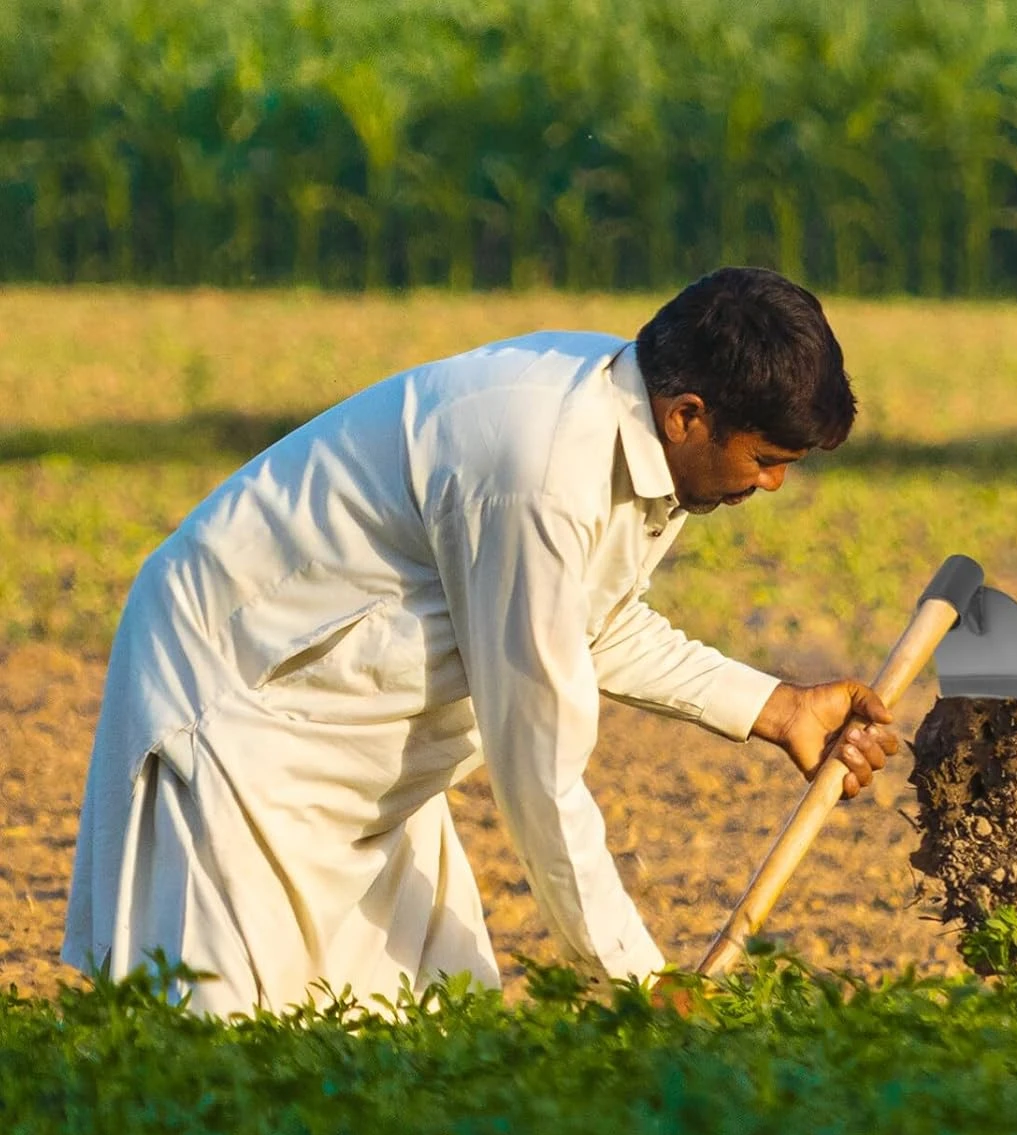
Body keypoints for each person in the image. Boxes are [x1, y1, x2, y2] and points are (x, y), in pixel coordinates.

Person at [63, 267, 899, 1016]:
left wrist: (776, 707)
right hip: (240, 705)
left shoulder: (630, 427)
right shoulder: (538, 475)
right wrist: (639, 984)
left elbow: (588, 623)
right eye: (767, 458)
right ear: (688, 416)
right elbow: (538, 767)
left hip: (357, 730)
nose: (773, 483)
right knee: (227, 1046)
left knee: (425, 1032)